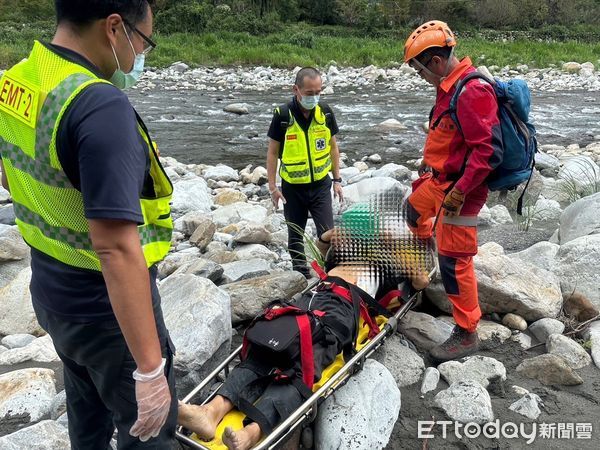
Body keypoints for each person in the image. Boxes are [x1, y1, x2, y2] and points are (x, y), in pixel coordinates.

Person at [0, 1, 177, 448]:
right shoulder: (99, 106)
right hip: (107, 312)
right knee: (148, 431)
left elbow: (13, 170)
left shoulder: (19, 79)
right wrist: (151, 371)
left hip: (52, 295)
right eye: (143, 41)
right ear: (114, 27)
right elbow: (115, 249)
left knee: (88, 418)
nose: (141, 55)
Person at [177, 228, 430, 450]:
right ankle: (210, 412)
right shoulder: (346, 254)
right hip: (308, 301)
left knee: (300, 369)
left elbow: (420, 282)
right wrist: (326, 236)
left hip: (340, 311)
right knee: (264, 348)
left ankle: (251, 432)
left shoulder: (389, 267)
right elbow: (319, 254)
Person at [403, 20, 503, 362]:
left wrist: (460, 192)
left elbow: (488, 152)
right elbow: (450, 136)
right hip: (441, 179)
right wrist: (430, 163)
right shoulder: (448, 86)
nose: (420, 77)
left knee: (454, 260)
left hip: (463, 189)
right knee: (412, 211)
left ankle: (466, 332)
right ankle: (422, 267)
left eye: (419, 71)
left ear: (433, 61)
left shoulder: (472, 90)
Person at [266, 67, 344, 278]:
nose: (315, 97)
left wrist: (337, 180)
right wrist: (272, 187)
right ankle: (300, 275)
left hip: (320, 185)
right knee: (295, 234)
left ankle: (330, 274)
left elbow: (333, 147)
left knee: (328, 234)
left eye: (319, 92)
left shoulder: (325, 112)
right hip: (292, 188)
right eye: (310, 93)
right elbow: (272, 153)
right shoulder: (282, 115)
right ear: (296, 90)